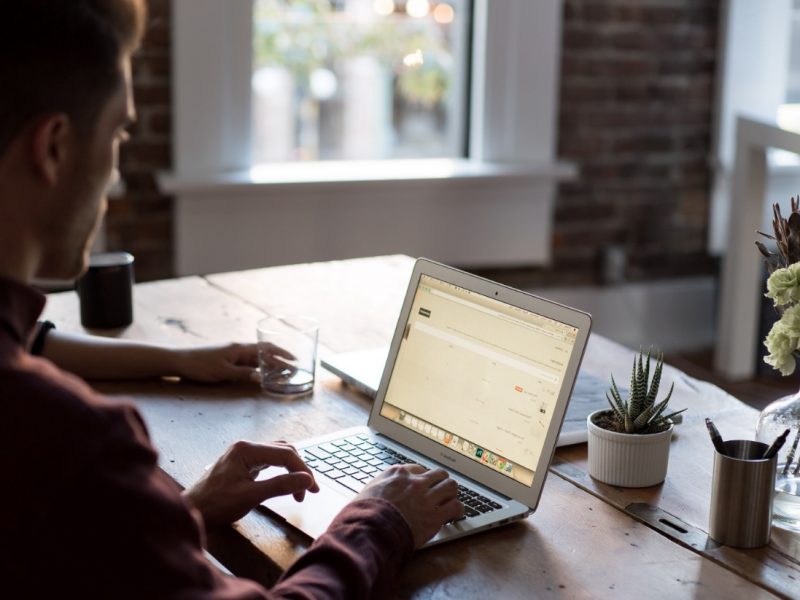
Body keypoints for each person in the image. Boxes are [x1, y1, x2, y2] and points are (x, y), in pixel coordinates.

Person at [0, 1, 463, 598]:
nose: (114, 180)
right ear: (55, 148)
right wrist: (380, 520)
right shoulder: (69, 443)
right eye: (118, 132)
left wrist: (182, 513)